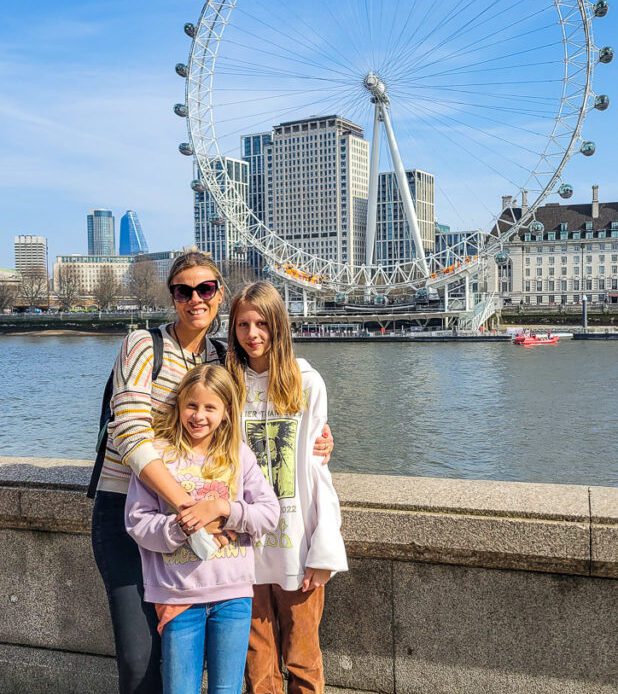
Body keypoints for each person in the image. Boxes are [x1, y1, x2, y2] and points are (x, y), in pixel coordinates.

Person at [90, 249, 334, 694]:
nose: (195, 299)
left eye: (205, 289)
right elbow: (128, 432)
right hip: (133, 508)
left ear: (219, 294)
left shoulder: (224, 359)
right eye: (183, 291)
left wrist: (316, 433)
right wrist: (193, 507)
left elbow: (258, 413)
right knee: (140, 658)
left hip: (201, 524)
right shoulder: (144, 345)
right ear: (173, 297)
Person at [125, 364, 279, 694]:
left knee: (226, 689)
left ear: (226, 413)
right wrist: (182, 526)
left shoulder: (239, 456)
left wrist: (224, 509)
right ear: (179, 406)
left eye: (210, 408)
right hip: (178, 595)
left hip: (232, 593)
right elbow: (137, 521)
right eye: (192, 406)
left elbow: (269, 513)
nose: (199, 416)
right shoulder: (159, 457)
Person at [226, 281, 348, 694]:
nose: (253, 334)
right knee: (257, 668)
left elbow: (316, 472)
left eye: (262, 323)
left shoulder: (306, 382)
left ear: (279, 325)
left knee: (303, 661)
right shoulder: (227, 385)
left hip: (295, 544)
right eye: (243, 324)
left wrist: (325, 546)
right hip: (243, 548)